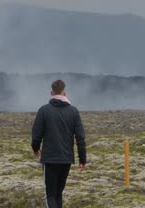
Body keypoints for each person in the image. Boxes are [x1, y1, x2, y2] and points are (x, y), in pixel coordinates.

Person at [31, 79, 87, 208]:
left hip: (50, 159)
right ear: (64, 93)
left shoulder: (43, 111)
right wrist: (82, 159)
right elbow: (80, 138)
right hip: (66, 159)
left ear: (51, 92)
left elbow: (36, 136)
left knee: (50, 195)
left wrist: (36, 149)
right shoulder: (74, 111)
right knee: (58, 194)